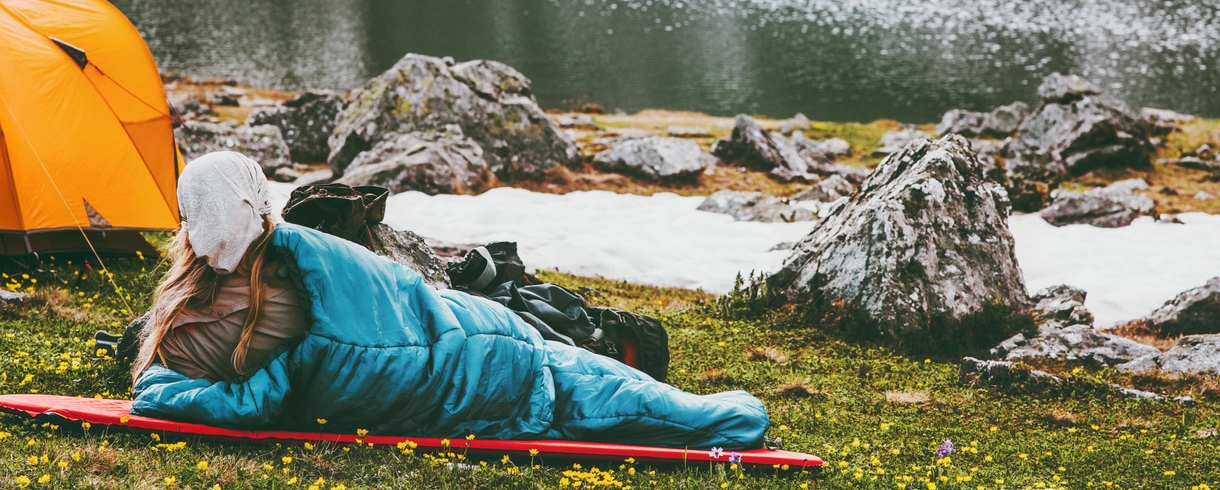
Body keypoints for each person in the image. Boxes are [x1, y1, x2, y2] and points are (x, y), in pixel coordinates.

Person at [131, 151, 770, 448]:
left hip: (484, 341)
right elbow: (261, 399)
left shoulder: (196, 297)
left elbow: (245, 397)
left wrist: (160, 386)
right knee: (707, 414)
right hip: (501, 373)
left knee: (589, 370)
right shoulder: (281, 277)